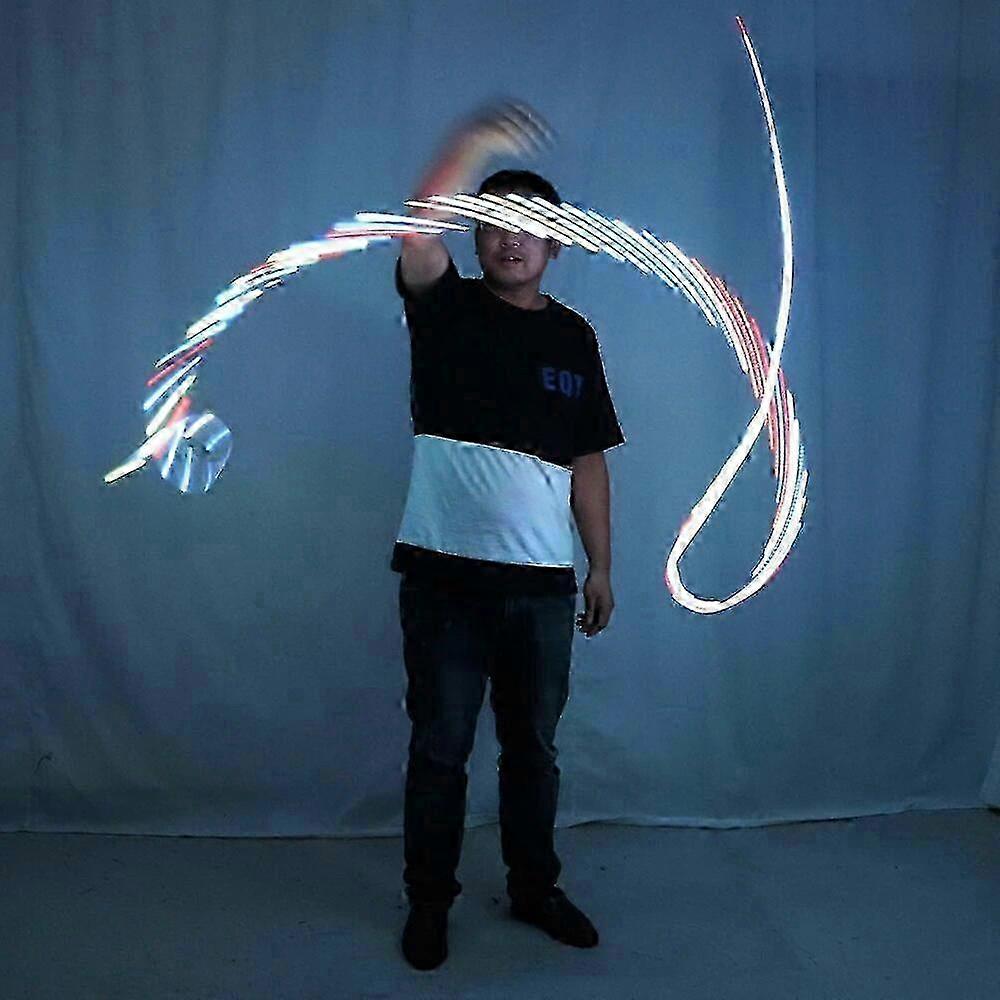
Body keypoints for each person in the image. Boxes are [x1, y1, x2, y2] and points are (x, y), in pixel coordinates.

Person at [394, 103, 626, 971]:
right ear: (477, 236)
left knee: (532, 751)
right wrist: (475, 145)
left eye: (529, 226)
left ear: (556, 243)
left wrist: (601, 566)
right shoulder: (444, 308)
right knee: (440, 749)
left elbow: (588, 460)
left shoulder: (574, 337)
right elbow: (418, 228)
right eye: (493, 224)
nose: (510, 239)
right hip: (444, 583)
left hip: (540, 587)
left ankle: (534, 888)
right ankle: (429, 903)